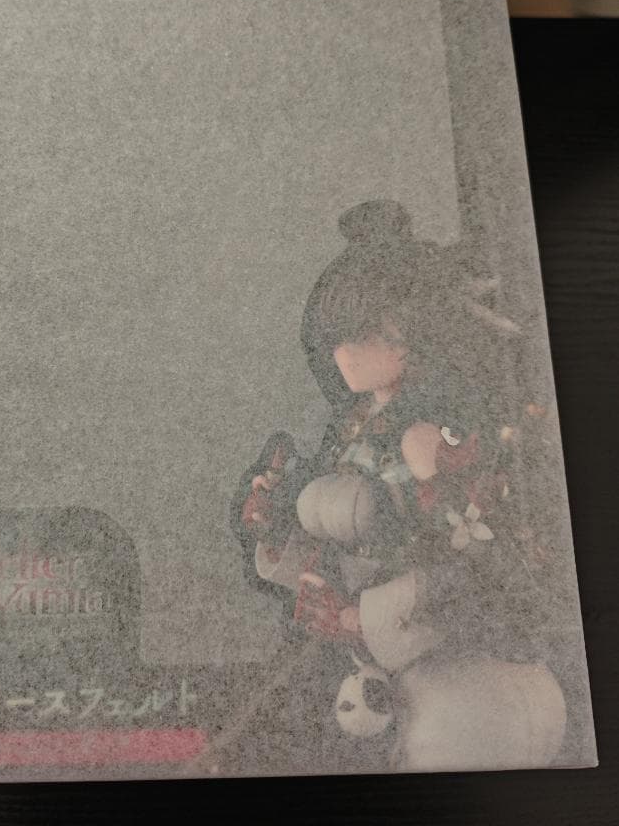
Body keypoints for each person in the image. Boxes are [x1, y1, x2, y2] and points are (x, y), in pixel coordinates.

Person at [233, 201, 566, 771]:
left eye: (366, 334)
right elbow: (330, 541)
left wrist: (362, 615)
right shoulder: (350, 429)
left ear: (419, 334)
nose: (344, 353)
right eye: (336, 336)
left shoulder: (439, 435)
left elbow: (471, 565)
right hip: (374, 657)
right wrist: (275, 529)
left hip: (464, 683)